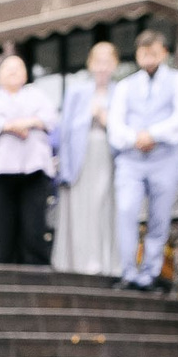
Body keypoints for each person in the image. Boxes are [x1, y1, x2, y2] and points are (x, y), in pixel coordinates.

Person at [106, 30, 178, 291]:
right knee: (126, 211)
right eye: (144, 52)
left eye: (154, 52)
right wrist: (135, 138)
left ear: (164, 53)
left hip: (165, 158)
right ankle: (127, 271)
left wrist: (153, 134)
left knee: (159, 216)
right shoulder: (125, 86)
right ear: (137, 54)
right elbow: (115, 124)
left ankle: (151, 273)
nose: (148, 57)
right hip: (131, 159)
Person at [0, 55, 57, 266]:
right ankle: (6, 270)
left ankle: (36, 272)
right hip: (3, 168)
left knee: (34, 224)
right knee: (5, 225)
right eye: (8, 68)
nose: (13, 71)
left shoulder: (37, 94)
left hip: (35, 167)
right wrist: (16, 125)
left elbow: (50, 118)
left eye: (18, 67)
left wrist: (20, 123)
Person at [52, 39, 122, 277]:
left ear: (115, 64)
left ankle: (106, 262)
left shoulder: (121, 91)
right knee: (80, 209)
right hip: (79, 157)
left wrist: (106, 119)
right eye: (98, 61)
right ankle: (79, 262)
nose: (102, 67)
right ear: (90, 64)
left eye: (107, 61)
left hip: (107, 155)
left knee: (104, 206)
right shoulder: (76, 91)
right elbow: (64, 130)